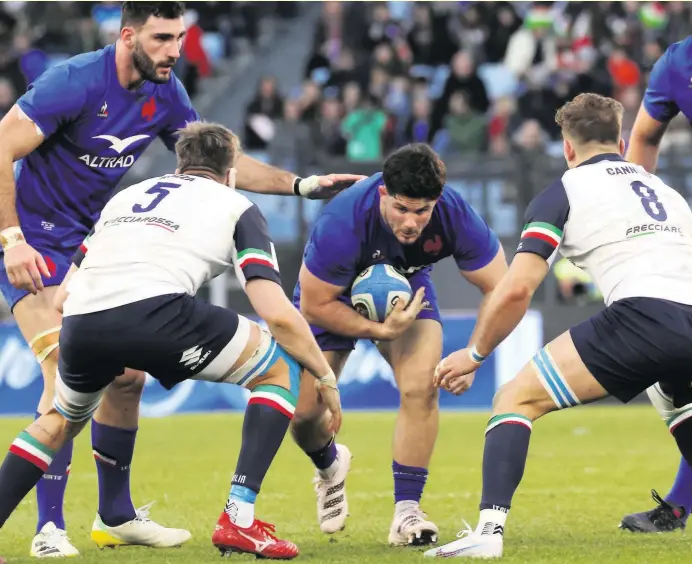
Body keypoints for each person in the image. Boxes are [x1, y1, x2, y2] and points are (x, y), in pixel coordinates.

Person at [0, 1, 362, 557]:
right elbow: (2, 143)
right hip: (31, 239)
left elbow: (222, 163)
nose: (176, 50)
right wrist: (12, 239)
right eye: (164, 38)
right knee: (60, 375)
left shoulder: (166, 92)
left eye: (181, 37)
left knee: (124, 380)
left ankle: (115, 513)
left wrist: (300, 184)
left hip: (90, 242)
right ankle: (49, 529)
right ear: (127, 36)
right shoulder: (72, 82)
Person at [425, 92, 692, 559]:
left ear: (567, 149)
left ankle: (488, 534)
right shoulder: (666, 192)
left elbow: (515, 288)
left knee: (515, 398)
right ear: (622, 140)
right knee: (677, 405)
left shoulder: (564, 190)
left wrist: (473, 355)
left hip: (645, 314)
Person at [291, 143, 508, 546]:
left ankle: (407, 512)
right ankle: (329, 465)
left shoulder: (454, 213)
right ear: (383, 194)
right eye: (401, 208)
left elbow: (502, 286)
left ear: (437, 202)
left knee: (421, 387)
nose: (411, 222)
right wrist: (381, 331)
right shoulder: (343, 219)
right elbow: (316, 304)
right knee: (303, 415)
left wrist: (476, 353)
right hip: (332, 297)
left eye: (422, 211)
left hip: (405, 289)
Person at [618, 35, 692, 534]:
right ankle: (680, 506)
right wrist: (634, 209)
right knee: (672, 375)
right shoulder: (677, 62)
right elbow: (643, 137)